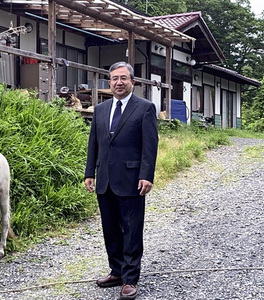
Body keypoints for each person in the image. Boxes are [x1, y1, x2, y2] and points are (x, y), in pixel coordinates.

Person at [84, 61, 158, 299]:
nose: (119, 82)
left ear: (132, 82)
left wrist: (146, 175)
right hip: (105, 180)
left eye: (123, 78)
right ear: (109, 82)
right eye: (114, 78)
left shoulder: (145, 108)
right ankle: (116, 270)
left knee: (132, 230)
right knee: (110, 229)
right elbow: (93, 144)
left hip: (132, 180)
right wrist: (89, 173)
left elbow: (150, 146)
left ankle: (130, 279)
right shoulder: (100, 109)